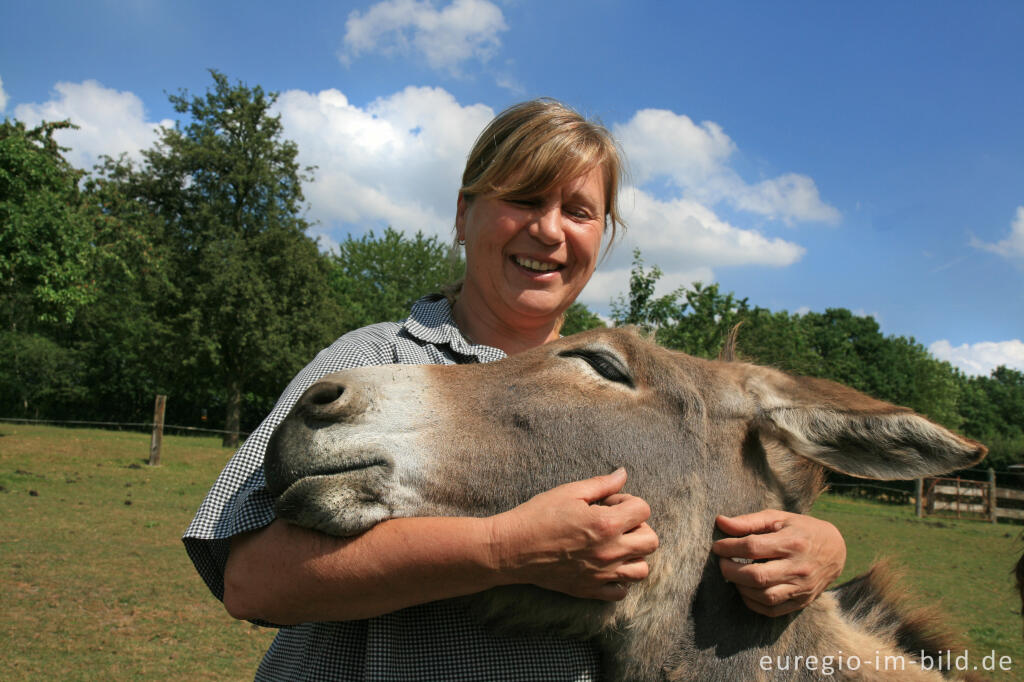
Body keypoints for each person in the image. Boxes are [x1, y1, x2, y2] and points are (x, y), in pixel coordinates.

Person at [183, 98, 847, 680]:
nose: (550, 229)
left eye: (579, 211)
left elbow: (696, 551)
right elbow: (250, 581)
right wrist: (502, 551)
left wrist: (824, 552)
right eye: (525, 200)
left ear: (602, 237)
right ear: (464, 215)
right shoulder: (374, 357)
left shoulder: (621, 396)